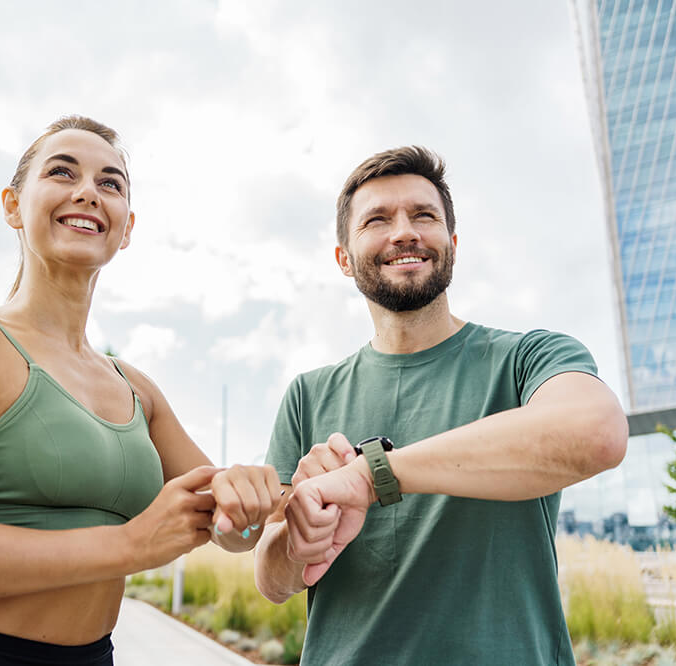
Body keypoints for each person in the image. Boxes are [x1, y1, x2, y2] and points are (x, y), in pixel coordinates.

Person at [0, 115, 281, 666]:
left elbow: (232, 529)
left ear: (126, 227)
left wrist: (248, 497)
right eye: (62, 173)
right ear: (13, 205)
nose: (88, 191)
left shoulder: (137, 389)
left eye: (110, 183)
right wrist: (129, 546)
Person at [253, 146, 628, 665]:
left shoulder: (530, 358)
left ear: (451, 244)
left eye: (423, 215)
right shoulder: (308, 394)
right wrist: (300, 542)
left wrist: (370, 476)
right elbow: (272, 582)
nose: (404, 231)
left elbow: (598, 433)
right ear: (343, 257)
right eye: (377, 219)